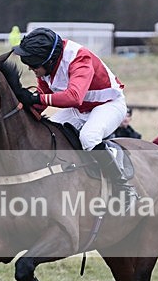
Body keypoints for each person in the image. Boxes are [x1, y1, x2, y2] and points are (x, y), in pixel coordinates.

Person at [12, 27, 134, 200]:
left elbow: (74, 97)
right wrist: (22, 107)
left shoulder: (79, 58)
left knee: (88, 137)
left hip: (109, 105)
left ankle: (123, 187)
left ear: (47, 60)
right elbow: (42, 98)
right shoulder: (48, 66)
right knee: (49, 134)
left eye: (33, 65)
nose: (31, 69)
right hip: (80, 109)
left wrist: (36, 99)